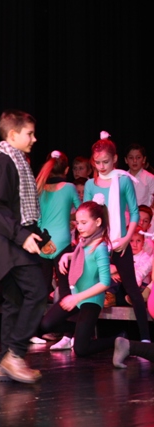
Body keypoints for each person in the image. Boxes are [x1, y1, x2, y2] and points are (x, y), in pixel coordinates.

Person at [0, 109, 53, 384]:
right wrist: (22, 237)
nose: (34, 139)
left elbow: (20, 210)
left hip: (15, 242)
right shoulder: (5, 164)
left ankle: (5, 363)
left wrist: (39, 237)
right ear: (13, 135)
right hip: (9, 245)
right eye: (29, 134)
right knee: (37, 292)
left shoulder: (18, 163)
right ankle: (15, 355)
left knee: (15, 301)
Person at [84, 131, 150, 343]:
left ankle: (145, 339)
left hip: (120, 242)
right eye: (97, 163)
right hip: (97, 244)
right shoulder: (90, 185)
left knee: (132, 289)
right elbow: (85, 216)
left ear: (114, 159)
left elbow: (134, 212)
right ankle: (82, 335)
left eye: (105, 162)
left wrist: (127, 238)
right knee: (90, 287)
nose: (101, 166)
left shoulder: (123, 181)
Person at [39, 198, 116, 356]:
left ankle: (117, 340)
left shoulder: (100, 247)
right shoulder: (85, 241)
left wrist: (76, 298)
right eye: (77, 223)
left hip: (90, 300)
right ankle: (79, 332)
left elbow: (105, 282)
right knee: (46, 324)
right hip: (77, 296)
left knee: (81, 350)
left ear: (98, 222)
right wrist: (67, 256)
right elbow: (82, 256)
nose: (79, 227)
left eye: (83, 223)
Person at [36, 150, 81, 300]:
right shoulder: (70, 187)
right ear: (66, 170)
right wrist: (68, 218)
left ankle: (40, 314)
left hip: (43, 240)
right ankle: (64, 313)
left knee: (43, 285)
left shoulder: (40, 187)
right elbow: (81, 212)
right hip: (62, 241)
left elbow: (39, 217)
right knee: (64, 285)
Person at [124, 144, 154, 208]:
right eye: (131, 158)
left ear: (144, 159)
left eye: (138, 157)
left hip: (144, 212)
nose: (134, 161)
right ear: (126, 160)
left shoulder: (150, 178)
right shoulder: (121, 178)